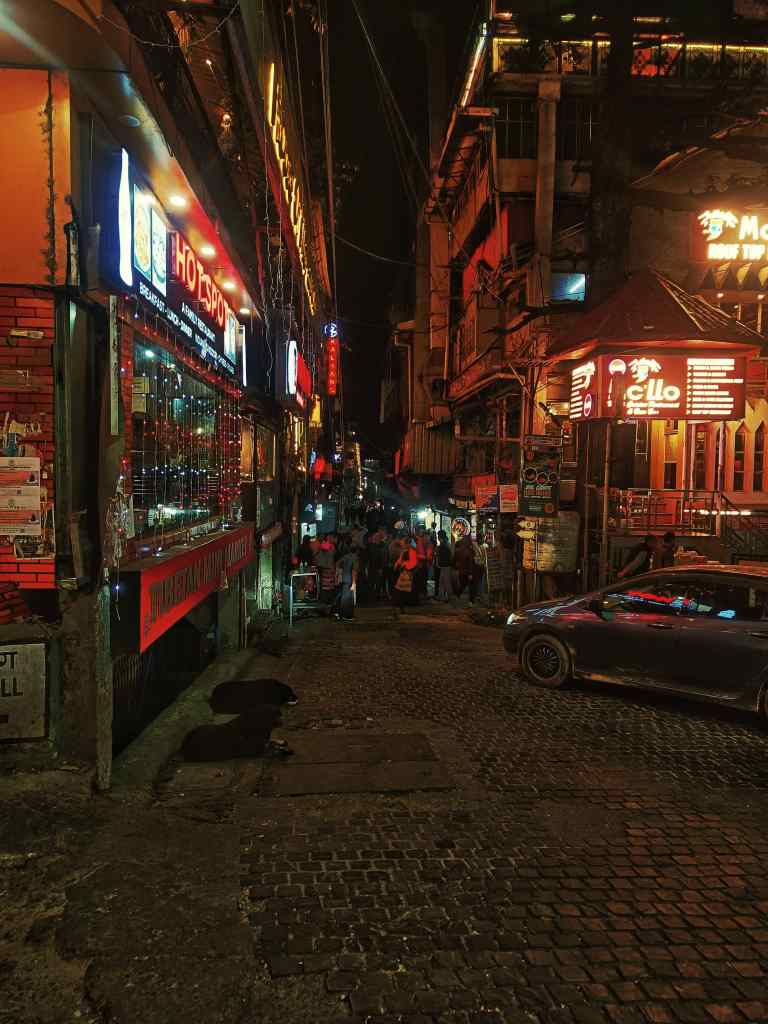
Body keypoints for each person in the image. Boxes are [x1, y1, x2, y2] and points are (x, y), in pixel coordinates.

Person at [391, 538, 418, 618]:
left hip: (407, 573)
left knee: (400, 590)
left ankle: (398, 607)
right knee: (400, 591)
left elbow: (413, 563)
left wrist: (404, 564)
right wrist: (398, 563)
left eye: (403, 543)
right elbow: (401, 560)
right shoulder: (406, 551)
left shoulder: (410, 551)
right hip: (405, 573)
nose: (402, 544)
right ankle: (400, 607)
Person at [334, 540, 358, 621]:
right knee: (348, 599)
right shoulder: (355, 558)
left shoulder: (345, 556)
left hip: (343, 578)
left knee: (343, 597)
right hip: (350, 580)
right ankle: (347, 616)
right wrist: (354, 583)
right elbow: (354, 571)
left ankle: (339, 614)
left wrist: (339, 573)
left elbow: (337, 563)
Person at [454, 534, 479, 604]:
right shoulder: (469, 551)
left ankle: (458, 595)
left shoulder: (459, 550)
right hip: (468, 572)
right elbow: (471, 562)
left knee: (463, 585)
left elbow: (456, 561)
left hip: (462, 571)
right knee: (471, 587)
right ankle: (471, 601)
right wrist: (470, 573)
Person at [435, 530, 454, 601]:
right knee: (442, 581)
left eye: (438, 536)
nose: (438, 537)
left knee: (446, 581)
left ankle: (449, 596)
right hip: (445, 565)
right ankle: (441, 596)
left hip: (445, 565)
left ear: (440, 536)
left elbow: (448, 555)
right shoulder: (446, 543)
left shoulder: (444, 544)